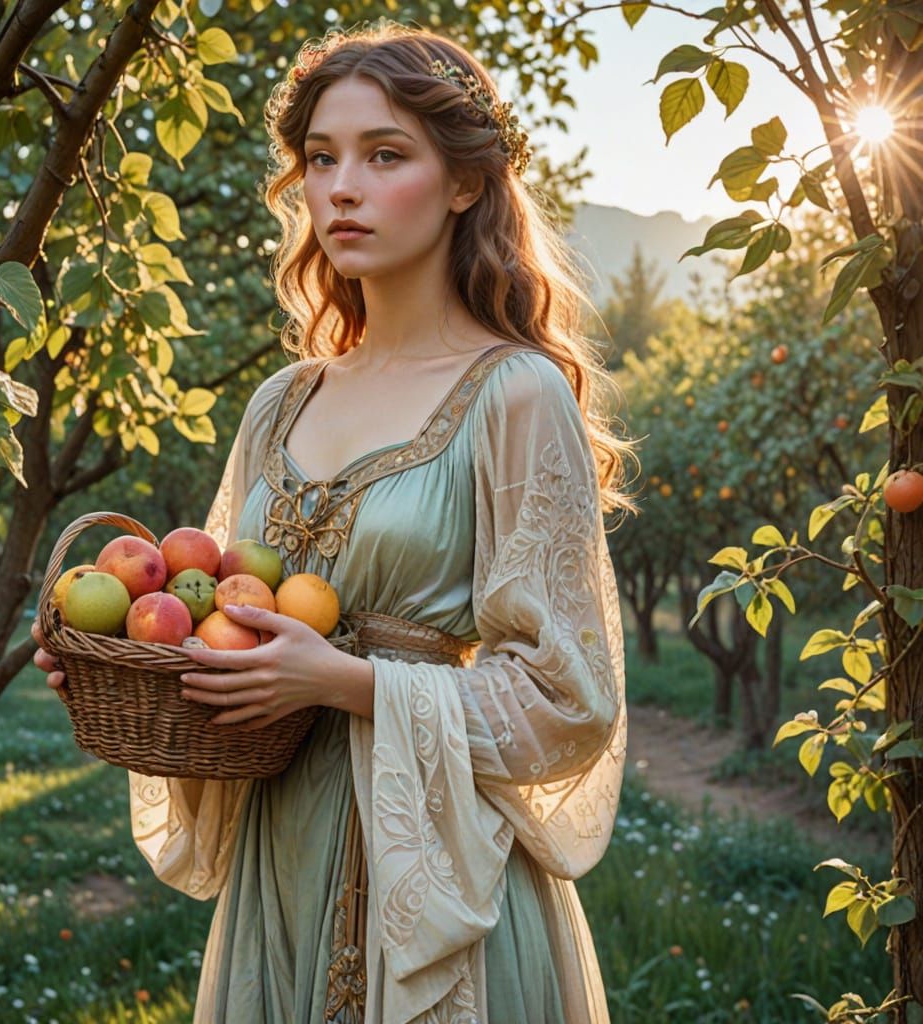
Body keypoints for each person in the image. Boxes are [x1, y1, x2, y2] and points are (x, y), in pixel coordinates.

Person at [34, 19, 638, 1023]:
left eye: (384, 154)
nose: (342, 187)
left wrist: (348, 682)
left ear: (464, 184)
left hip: (438, 877)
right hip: (283, 859)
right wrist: (126, 657)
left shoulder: (515, 393)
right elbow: (227, 608)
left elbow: (569, 698)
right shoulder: (283, 398)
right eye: (321, 159)